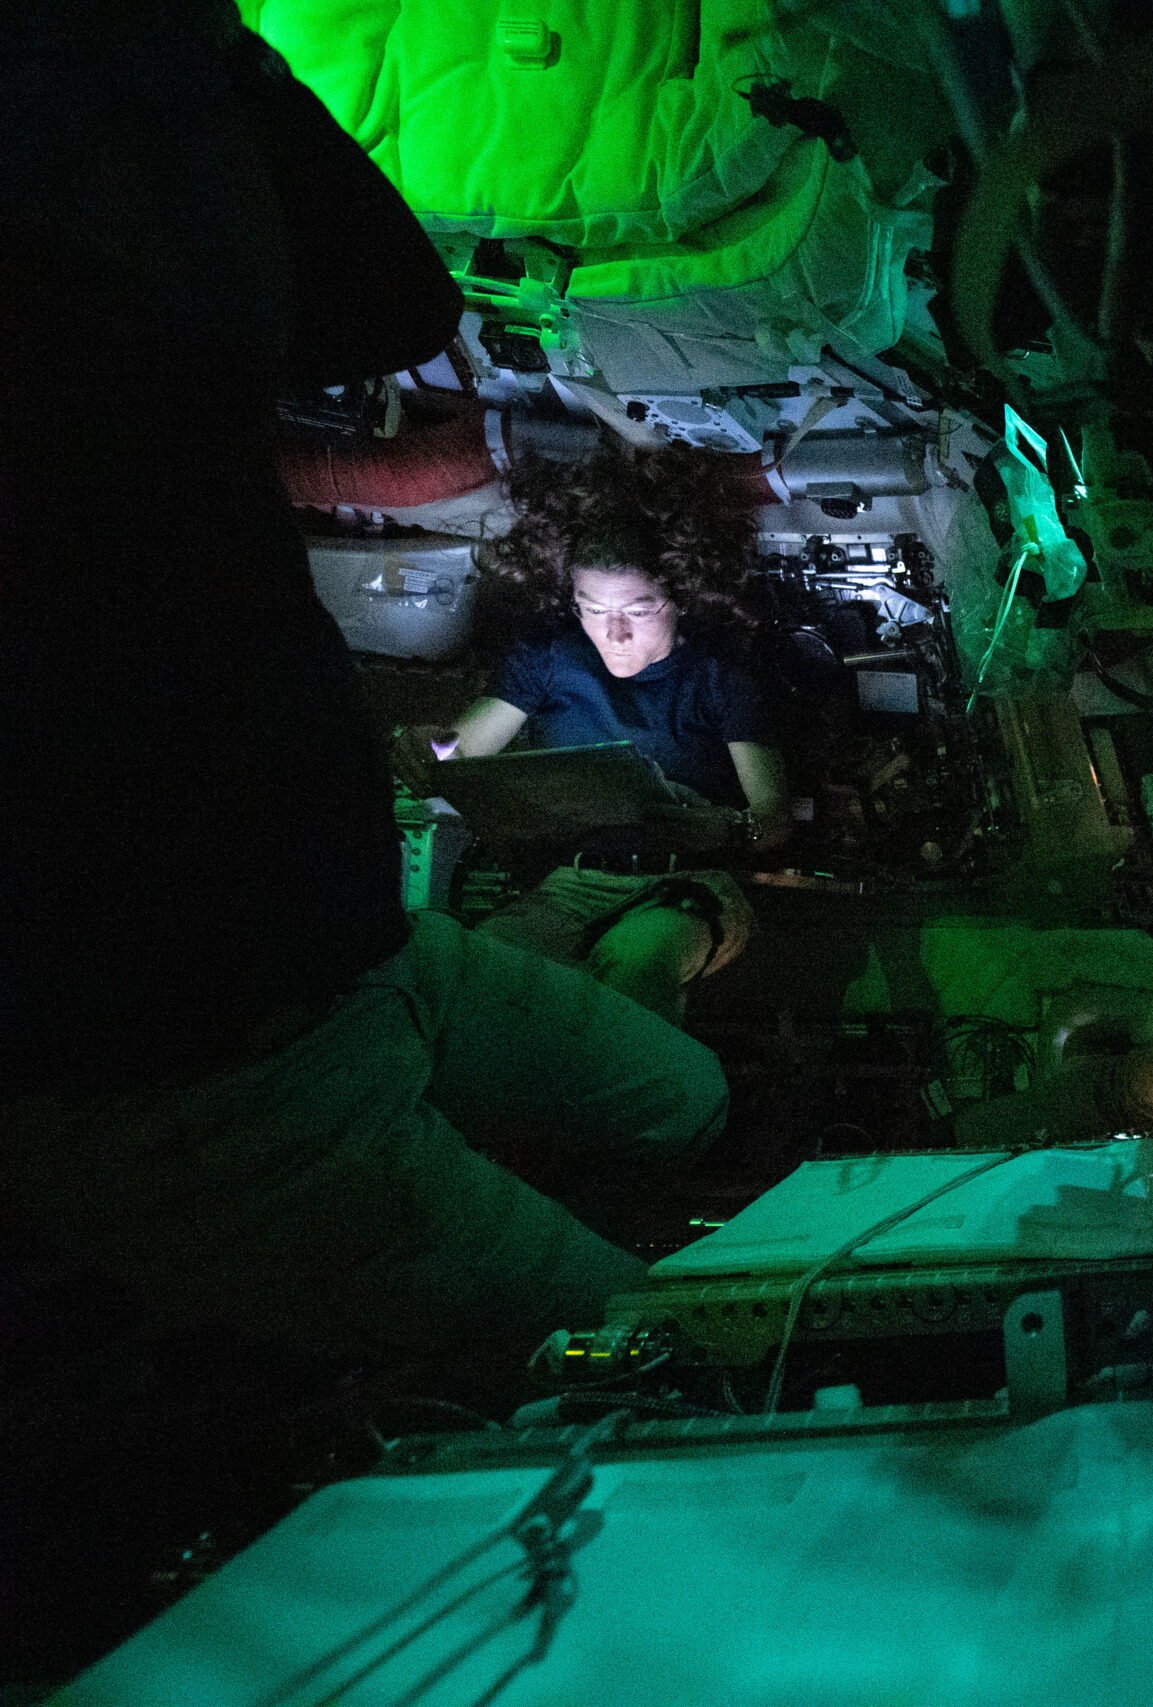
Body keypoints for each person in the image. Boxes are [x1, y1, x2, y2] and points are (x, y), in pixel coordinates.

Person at [0, 13, 725, 1370]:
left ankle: (508, 1236)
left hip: (361, 954)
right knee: (662, 1373)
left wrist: (201, 57)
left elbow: (390, 302)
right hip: (192, 1077)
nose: (614, 631)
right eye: (600, 610)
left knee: (681, 1101)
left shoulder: (116, 121)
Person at [401, 447, 791, 1023]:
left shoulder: (720, 675)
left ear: (678, 598)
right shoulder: (550, 659)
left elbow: (774, 817)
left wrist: (726, 826)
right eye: (591, 609)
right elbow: (456, 756)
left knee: (634, 963)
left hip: (685, 884)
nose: (614, 633)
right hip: (569, 884)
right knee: (485, 967)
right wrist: (427, 748)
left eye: (638, 609)